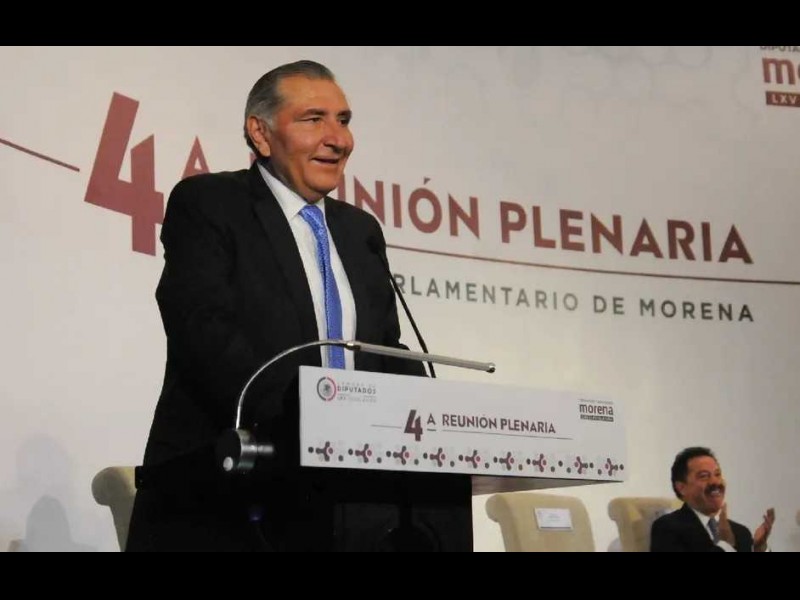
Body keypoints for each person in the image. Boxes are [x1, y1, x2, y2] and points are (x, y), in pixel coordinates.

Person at [126, 60, 473, 552]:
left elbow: (384, 351)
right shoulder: (211, 203)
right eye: (314, 119)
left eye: (344, 120)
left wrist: (438, 422)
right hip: (221, 498)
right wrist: (321, 419)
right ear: (260, 133)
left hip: (347, 501)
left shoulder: (359, 231)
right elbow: (203, 330)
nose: (338, 139)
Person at [650, 446, 775, 552]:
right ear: (681, 487)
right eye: (704, 476)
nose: (715, 481)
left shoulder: (741, 533)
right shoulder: (667, 528)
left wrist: (760, 549)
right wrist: (725, 545)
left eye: (717, 474)